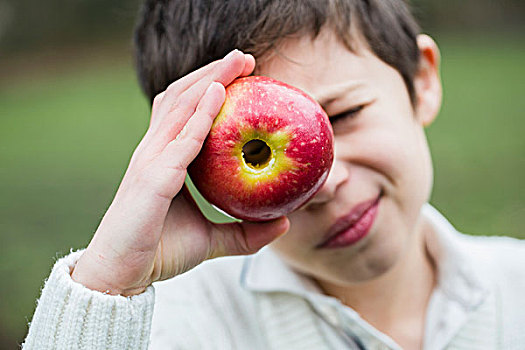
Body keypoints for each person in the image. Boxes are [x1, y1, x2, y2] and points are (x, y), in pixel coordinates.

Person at [23, 0, 525, 349]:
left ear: (422, 80)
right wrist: (109, 283)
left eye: (344, 116)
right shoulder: (173, 329)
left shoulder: (516, 289)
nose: (323, 184)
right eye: (259, 156)